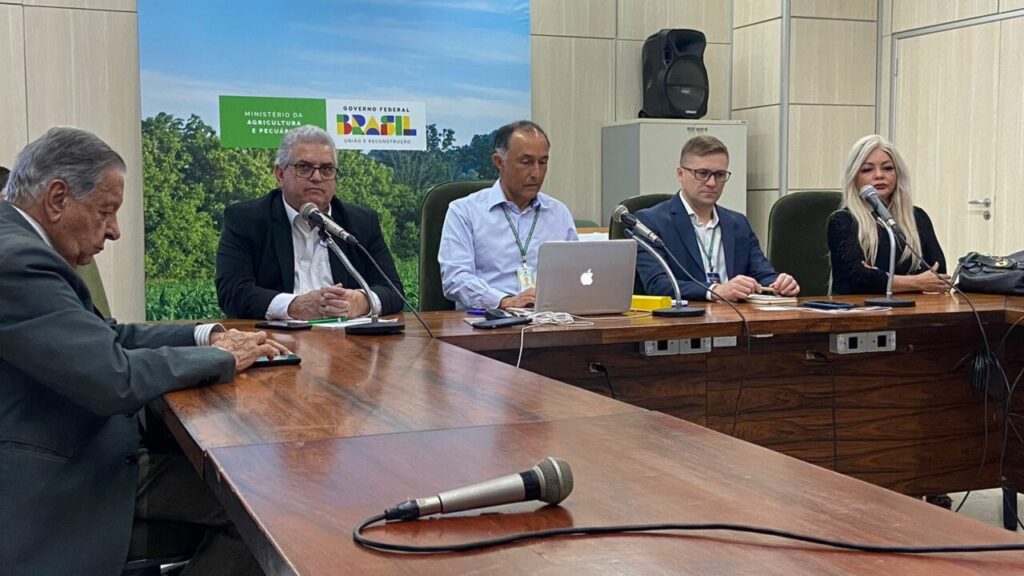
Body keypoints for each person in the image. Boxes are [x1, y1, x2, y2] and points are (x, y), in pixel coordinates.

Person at [0, 127, 288, 575]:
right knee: (265, 516)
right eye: (106, 211)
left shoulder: (20, 242)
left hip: (86, 448)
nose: (115, 231)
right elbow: (113, 378)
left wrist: (205, 336)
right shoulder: (18, 261)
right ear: (57, 199)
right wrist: (224, 358)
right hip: (64, 477)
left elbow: (106, 336)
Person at [216, 125, 404, 320]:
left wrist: (361, 301)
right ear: (280, 174)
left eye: (326, 169)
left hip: (345, 334)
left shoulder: (361, 222)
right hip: (276, 336)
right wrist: (295, 306)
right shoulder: (246, 219)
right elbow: (232, 292)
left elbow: (393, 291)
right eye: (304, 168)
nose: (317, 177)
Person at [635, 135, 800, 302]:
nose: (712, 183)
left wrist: (779, 284)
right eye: (702, 173)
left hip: (737, 314)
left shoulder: (738, 223)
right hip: (687, 315)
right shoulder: (650, 223)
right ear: (680, 174)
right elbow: (658, 284)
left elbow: (762, 274)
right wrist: (715, 290)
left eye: (720, 175)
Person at [439, 120, 577, 310]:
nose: (536, 173)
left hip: (549, 317)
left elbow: (576, 274)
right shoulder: (464, 211)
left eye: (543, 162)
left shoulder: (558, 213)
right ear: (499, 162)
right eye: (526, 162)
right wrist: (503, 301)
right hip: (489, 319)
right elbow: (455, 279)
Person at [828, 134, 948, 295]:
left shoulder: (917, 217)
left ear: (898, 174)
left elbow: (938, 275)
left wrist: (878, 276)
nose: (879, 175)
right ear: (854, 178)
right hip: (861, 308)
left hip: (915, 307)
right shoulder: (843, 221)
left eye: (887, 168)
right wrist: (917, 282)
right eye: (867, 169)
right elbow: (855, 280)